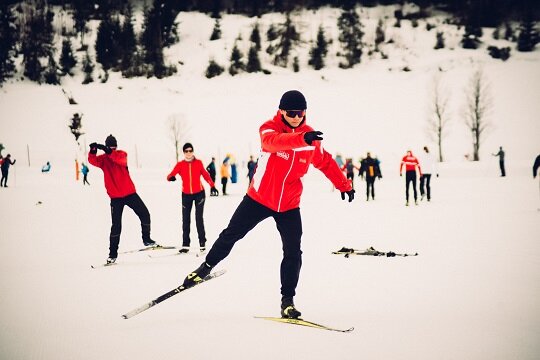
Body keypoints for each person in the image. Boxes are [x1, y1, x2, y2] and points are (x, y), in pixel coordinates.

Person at [179, 90, 355, 319]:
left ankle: (287, 301)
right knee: (231, 234)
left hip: (289, 205)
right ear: (281, 111)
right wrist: (301, 139)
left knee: (293, 252)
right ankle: (205, 268)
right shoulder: (270, 128)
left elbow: (326, 162)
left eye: (300, 113)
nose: (296, 117)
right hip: (259, 198)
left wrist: (344, 184)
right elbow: (273, 143)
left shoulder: (311, 138)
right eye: (291, 113)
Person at [88, 135, 156, 264]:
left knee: (145, 214)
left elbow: (119, 159)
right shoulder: (103, 160)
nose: (112, 148)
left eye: (114, 146)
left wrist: (108, 151)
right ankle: (112, 254)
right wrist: (93, 150)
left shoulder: (121, 154)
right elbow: (92, 161)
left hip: (130, 194)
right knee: (116, 226)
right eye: (110, 146)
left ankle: (146, 239)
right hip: (115, 198)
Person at [167, 143, 219, 254]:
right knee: (185, 220)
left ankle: (202, 243)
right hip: (186, 195)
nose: (188, 153)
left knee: (198, 219)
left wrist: (212, 185)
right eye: (186, 151)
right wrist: (171, 177)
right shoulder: (180, 164)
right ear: (183, 152)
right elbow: (170, 175)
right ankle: (185, 245)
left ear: (193, 151)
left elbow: (205, 175)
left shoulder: (198, 163)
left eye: (190, 150)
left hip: (199, 194)